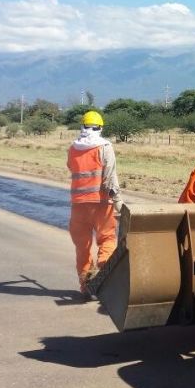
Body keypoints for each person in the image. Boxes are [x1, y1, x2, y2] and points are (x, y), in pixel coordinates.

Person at [67, 111, 122, 299]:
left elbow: (71, 168)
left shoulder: (73, 148)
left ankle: (85, 286)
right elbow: (110, 178)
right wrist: (118, 202)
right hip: (101, 203)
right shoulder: (105, 147)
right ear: (100, 127)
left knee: (82, 247)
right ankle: (104, 274)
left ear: (82, 127)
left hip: (79, 205)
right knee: (107, 239)